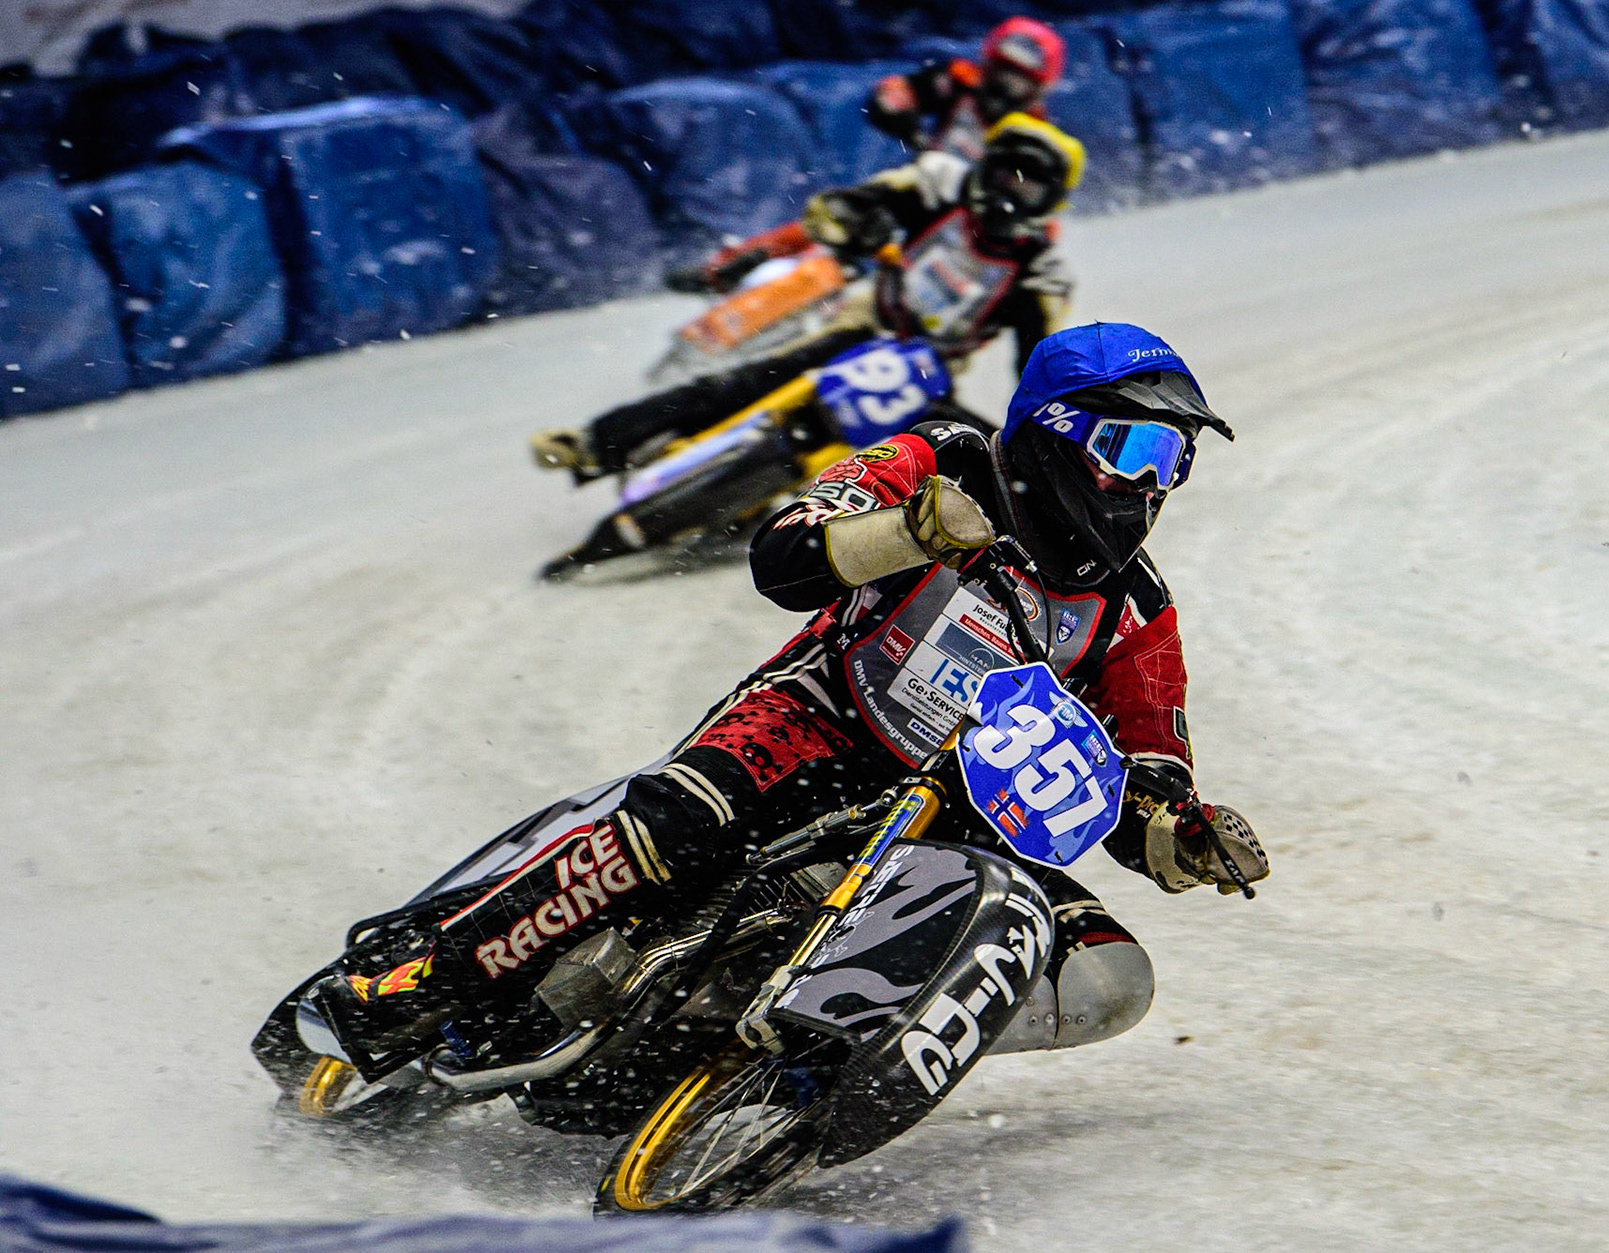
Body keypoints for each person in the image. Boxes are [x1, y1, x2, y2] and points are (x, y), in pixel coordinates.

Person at [337, 322, 1270, 1061]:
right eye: (1136, 448)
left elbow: (1143, 771)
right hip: (816, 721)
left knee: (1111, 977)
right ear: (1057, 429)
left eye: (1174, 461)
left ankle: (831, 1052)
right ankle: (425, 980)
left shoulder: (1137, 606)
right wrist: (909, 531)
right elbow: (783, 555)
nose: (1151, 485)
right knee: (670, 828)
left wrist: (1185, 835)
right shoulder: (945, 457)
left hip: (958, 815)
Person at [532, 114, 1083, 483]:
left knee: (971, 455)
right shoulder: (940, 180)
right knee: (754, 380)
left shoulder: (1041, 274)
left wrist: (1039, 444)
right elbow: (842, 205)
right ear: (984, 165)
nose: (1009, 193)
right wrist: (853, 223)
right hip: (868, 314)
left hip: (932, 364)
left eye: (1028, 186)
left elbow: (1039, 371)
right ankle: (596, 441)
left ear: (1049, 201)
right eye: (1005, 174)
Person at [867, 16, 1068, 161]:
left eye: (1017, 82)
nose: (1003, 87)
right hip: (927, 181)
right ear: (987, 65)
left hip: (987, 208)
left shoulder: (1035, 127)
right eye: (999, 72)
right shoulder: (958, 79)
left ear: (1037, 89)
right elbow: (898, 90)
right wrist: (906, 124)